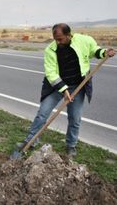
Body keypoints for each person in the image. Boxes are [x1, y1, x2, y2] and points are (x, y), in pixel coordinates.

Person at [17, 23, 115, 157]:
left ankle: (71, 145)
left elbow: (94, 51)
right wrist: (63, 89)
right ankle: (30, 141)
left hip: (78, 86)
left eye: (60, 39)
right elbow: (51, 73)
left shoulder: (83, 40)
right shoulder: (50, 50)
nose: (57, 42)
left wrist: (104, 52)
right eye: (55, 38)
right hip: (56, 86)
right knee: (42, 113)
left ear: (69, 35)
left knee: (75, 118)